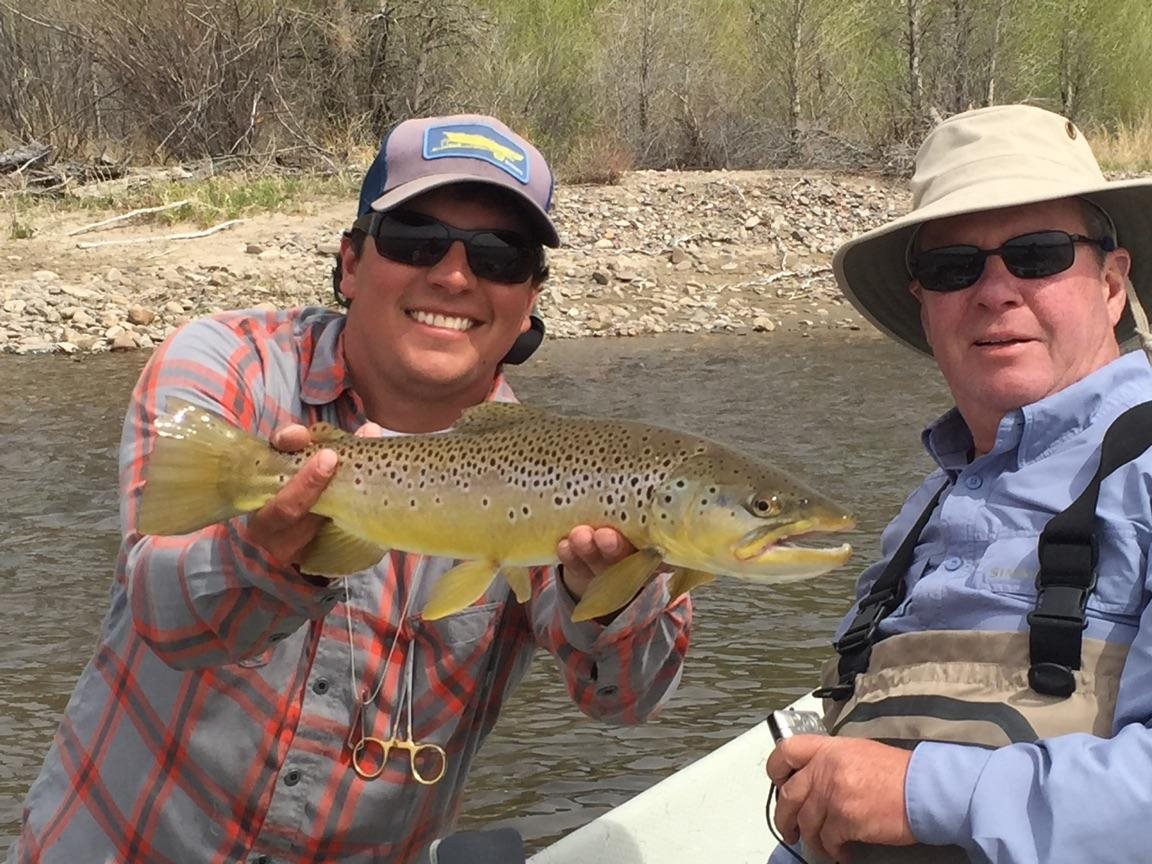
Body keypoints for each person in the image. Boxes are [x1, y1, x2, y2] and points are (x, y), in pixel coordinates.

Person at [9, 114, 692, 864]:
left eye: (500, 255)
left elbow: (624, 700)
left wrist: (618, 596)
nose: (455, 276)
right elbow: (163, 612)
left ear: (529, 299)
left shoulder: (563, 474)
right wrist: (267, 557)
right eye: (416, 241)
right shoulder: (226, 364)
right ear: (351, 265)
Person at [766, 103, 1152, 864]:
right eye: (954, 268)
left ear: (1112, 283)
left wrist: (922, 793)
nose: (995, 290)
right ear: (926, 304)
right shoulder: (920, 515)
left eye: (1037, 255)